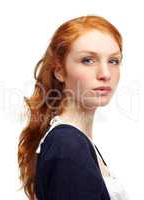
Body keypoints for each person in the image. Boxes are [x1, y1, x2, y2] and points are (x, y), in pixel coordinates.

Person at [18, 15, 130, 200]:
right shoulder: (68, 145)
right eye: (88, 60)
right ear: (59, 71)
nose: (105, 74)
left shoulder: (75, 141)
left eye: (113, 61)